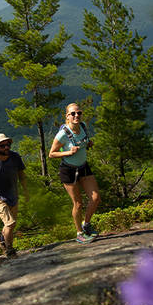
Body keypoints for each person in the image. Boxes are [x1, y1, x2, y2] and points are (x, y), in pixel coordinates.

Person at [49, 103, 101, 243]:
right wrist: (69, 152)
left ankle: (86, 224)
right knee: (78, 204)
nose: (76, 115)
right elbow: (51, 154)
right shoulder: (62, 135)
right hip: (68, 170)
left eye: (79, 113)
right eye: (73, 114)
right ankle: (79, 233)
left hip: (83, 167)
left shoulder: (83, 126)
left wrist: (88, 144)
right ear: (67, 116)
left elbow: (83, 141)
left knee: (95, 198)